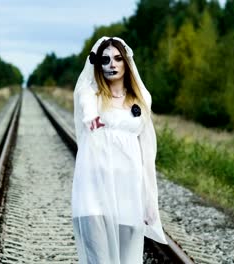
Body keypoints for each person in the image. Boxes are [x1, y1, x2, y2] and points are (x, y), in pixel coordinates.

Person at [71, 36, 167, 264]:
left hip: (128, 192)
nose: (111, 64)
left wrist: (150, 201)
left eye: (117, 59)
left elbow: (147, 155)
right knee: (99, 259)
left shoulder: (142, 100)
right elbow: (85, 102)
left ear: (126, 62)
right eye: (105, 60)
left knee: (127, 260)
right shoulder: (91, 95)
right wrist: (92, 117)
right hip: (93, 191)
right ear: (98, 64)